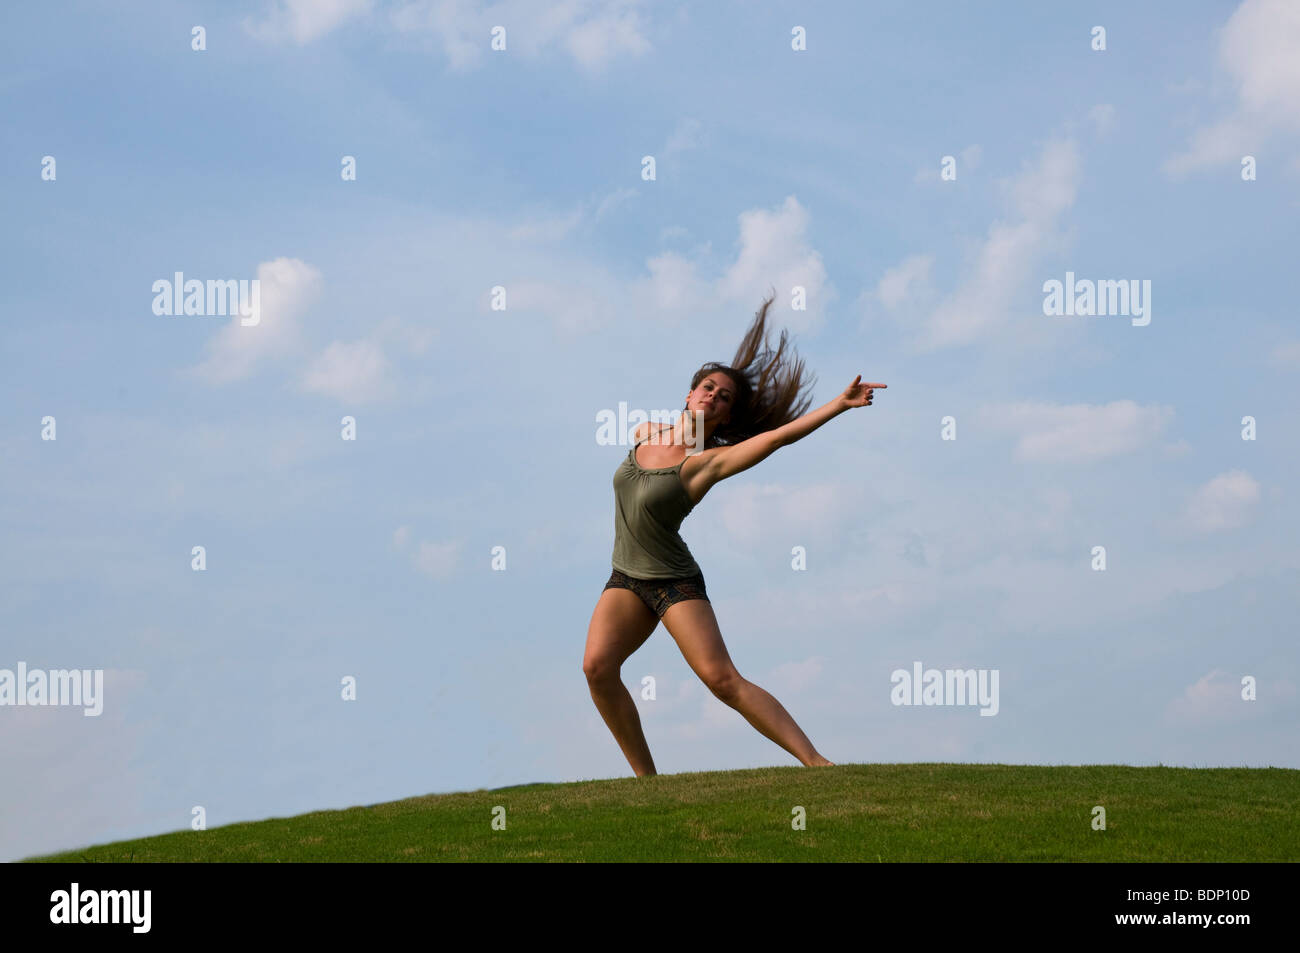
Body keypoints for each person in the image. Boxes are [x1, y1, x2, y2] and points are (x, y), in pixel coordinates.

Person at [582, 292, 885, 776]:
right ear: (689, 393)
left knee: (722, 680)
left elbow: (777, 437)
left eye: (723, 398)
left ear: (725, 417)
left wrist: (839, 405)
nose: (713, 396)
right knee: (597, 669)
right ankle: (647, 785)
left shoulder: (707, 463)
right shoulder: (643, 431)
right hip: (625, 577)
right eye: (707, 387)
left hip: (673, 582)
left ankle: (818, 763)